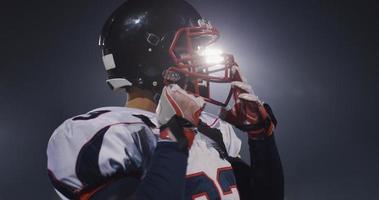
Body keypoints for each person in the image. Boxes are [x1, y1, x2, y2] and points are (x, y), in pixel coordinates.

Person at [46, 0, 284, 199]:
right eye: (188, 49)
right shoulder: (103, 134)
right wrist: (175, 137)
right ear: (147, 57)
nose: (199, 60)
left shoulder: (210, 130)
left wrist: (261, 137)